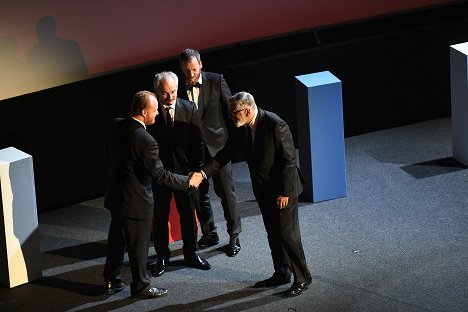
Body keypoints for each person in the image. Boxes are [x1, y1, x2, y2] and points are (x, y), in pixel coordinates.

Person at [200, 91, 312, 297]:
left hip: (284, 190)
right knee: (272, 232)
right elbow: (224, 154)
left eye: (235, 114)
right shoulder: (239, 128)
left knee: (288, 234)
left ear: (248, 110)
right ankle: (281, 273)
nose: (232, 117)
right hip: (263, 190)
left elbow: (288, 160)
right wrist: (202, 173)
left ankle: (303, 278)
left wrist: (284, 192)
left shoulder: (275, 124)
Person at [103, 91, 203, 299]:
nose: (157, 113)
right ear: (142, 111)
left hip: (117, 197)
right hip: (136, 202)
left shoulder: (115, 125)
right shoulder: (146, 140)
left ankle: (111, 280)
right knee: (138, 247)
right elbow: (160, 175)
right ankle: (140, 286)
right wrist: (188, 181)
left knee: (117, 241)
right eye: (154, 109)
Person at [178, 48, 241, 257]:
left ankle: (234, 236)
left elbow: (232, 111)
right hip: (194, 152)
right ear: (182, 69)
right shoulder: (176, 87)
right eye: (187, 71)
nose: (191, 74)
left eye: (194, 69)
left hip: (218, 147)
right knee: (199, 195)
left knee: (226, 194)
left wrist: (232, 142)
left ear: (201, 65)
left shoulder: (216, 80)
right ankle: (209, 234)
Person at [147, 71, 211, 276]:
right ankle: (162, 256)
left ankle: (191, 254)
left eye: (173, 92)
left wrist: (198, 172)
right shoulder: (151, 112)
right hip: (161, 175)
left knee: (188, 215)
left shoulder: (189, 108)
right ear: (157, 92)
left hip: (186, 175)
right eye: (165, 93)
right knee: (160, 216)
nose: (170, 97)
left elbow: (199, 142)